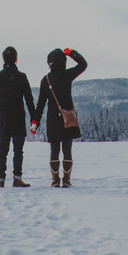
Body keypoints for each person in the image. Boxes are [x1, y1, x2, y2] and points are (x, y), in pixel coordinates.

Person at [0, 46, 40, 187]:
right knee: (18, 150)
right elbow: (29, 100)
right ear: (16, 60)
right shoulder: (21, 77)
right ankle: (17, 179)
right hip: (18, 117)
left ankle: (1, 180)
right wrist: (34, 119)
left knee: (2, 151)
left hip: (4, 119)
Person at [38, 47, 86, 187]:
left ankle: (55, 181)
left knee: (54, 151)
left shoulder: (45, 80)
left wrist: (35, 120)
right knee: (67, 150)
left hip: (52, 119)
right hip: (67, 118)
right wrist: (72, 53)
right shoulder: (67, 75)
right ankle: (66, 180)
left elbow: (41, 103)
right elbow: (83, 64)